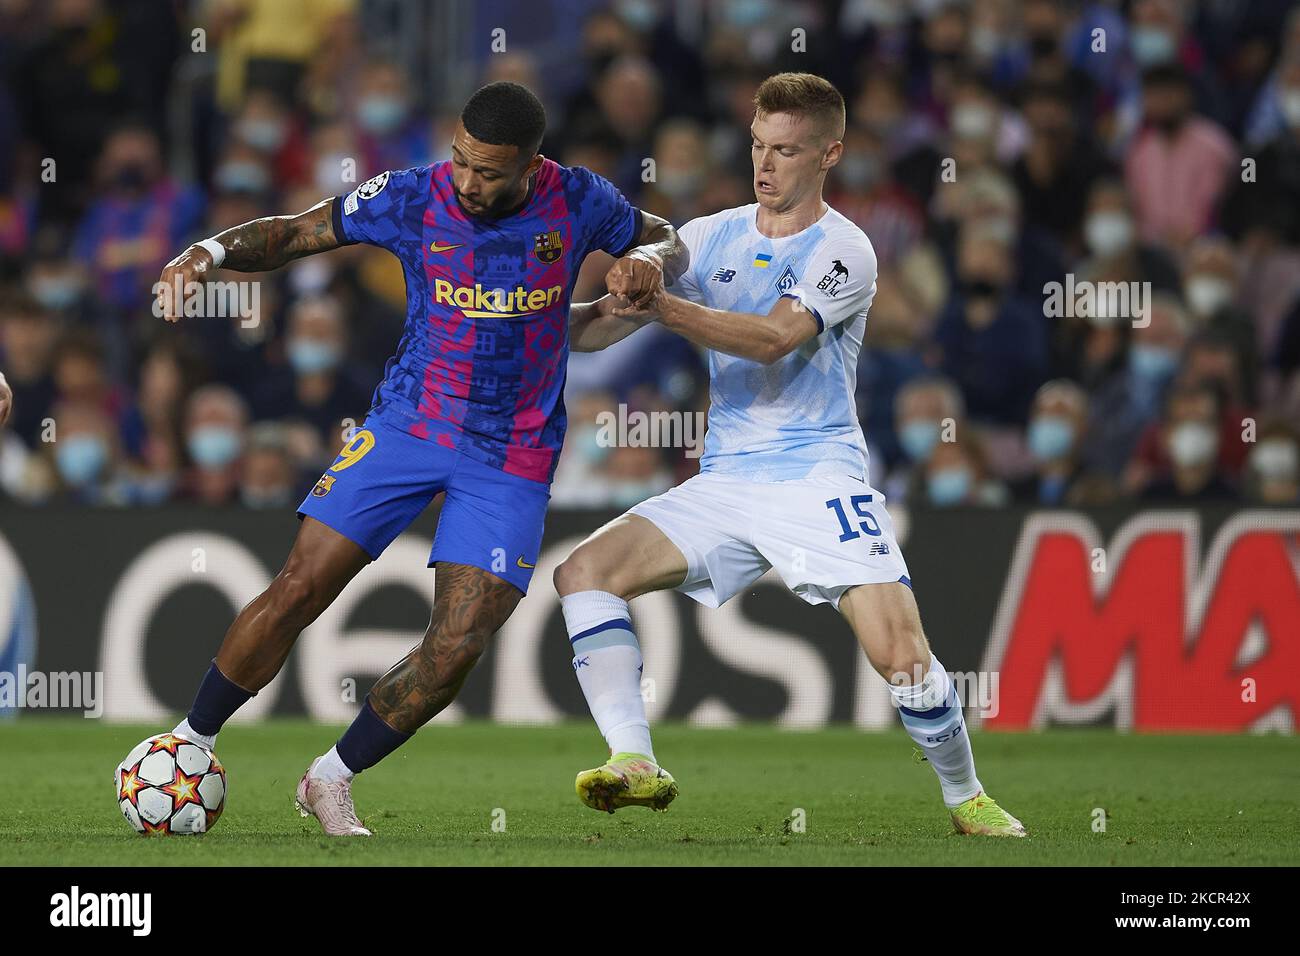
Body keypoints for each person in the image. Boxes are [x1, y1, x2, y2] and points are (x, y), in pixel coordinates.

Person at [152, 81, 684, 836]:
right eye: (462, 160)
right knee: (303, 585)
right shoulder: (411, 196)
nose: (468, 181)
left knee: (459, 642)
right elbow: (299, 232)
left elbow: (663, 233)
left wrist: (651, 260)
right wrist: (205, 252)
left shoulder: (580, 201)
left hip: (513, 452)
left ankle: (331, 777)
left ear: (532, 166)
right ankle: (190, 743)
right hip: (409, 424)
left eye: (489, 172)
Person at [554, 73, 1025, 837]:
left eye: (786, 150)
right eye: (757, 147)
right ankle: (635, 760)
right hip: (727, 479)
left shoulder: (847, 250)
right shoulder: (709, 236)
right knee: (583, 574)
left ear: (830, 152)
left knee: (901, 655)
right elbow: (600, 328)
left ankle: (966, 796)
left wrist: (662, 302)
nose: (765, 166)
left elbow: (775, 338)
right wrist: (547, 309)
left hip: (815, 476)